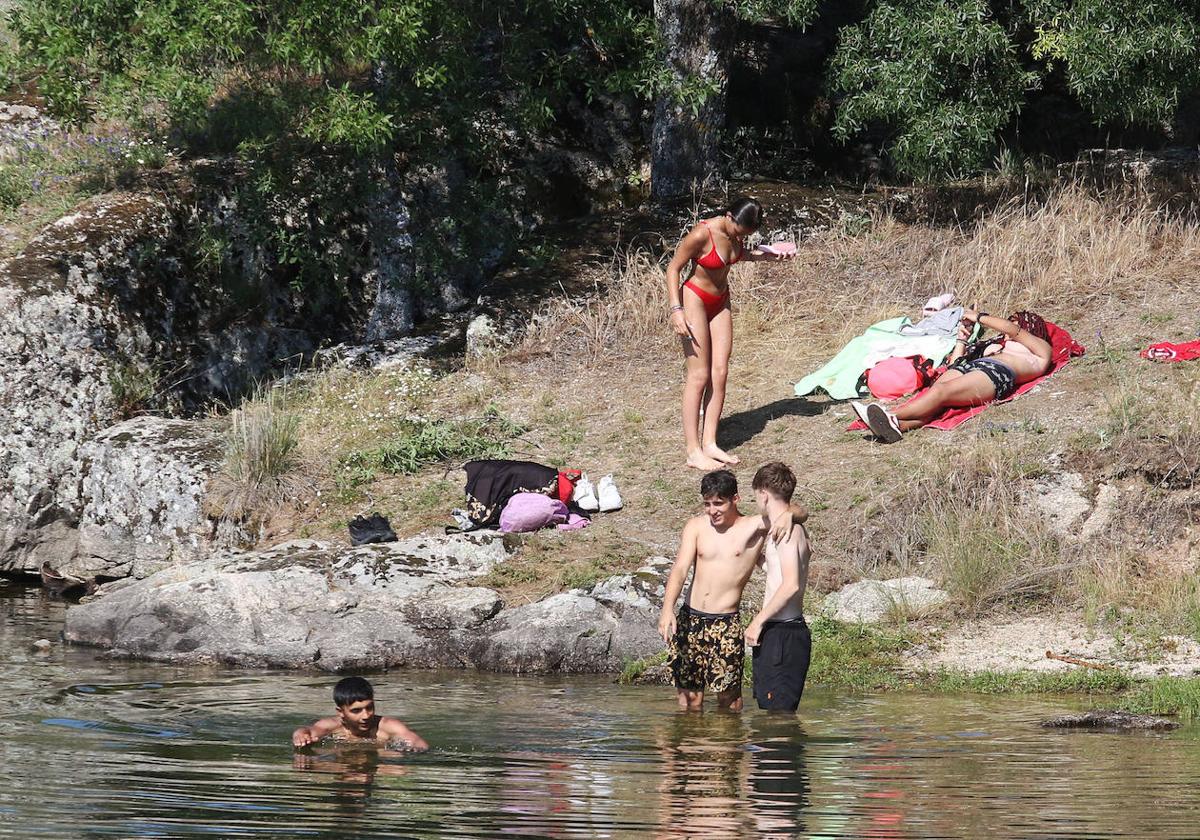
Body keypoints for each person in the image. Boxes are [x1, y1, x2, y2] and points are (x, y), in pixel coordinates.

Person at [657, 469, 807, 711]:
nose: (712, 510)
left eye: (719, 503)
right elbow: (680, 568)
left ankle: (726, 747)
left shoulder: (755, 526)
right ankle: (690, 746)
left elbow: (797, 510)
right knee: (688, 699)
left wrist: (790, 515)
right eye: (707, 504)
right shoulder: (696, 526)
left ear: (735, 499)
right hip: (691, 619)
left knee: (729, 701)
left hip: (726, 623)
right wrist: (667, 610)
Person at [665, 197, 794, 471]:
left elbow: (741, 255)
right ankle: (693, 450)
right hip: (694, 299)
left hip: (720, 300)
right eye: (738, 231)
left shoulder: (737, 234)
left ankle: (710, 442)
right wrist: (676, 310)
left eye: (745, 235)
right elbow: (673, 268)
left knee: (720, 371)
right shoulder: (702, 233)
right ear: (728, 216)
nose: (740, 237)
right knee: (698, 375)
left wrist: (768, 256)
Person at [853, 309, 1053, 442]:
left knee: (941, 392)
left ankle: (890, 416)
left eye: (1012, 322)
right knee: (935, 401)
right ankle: (898, 427)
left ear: (1029, 326)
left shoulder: (1040, 350)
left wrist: (979, 317)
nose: (1005, 328)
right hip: (973, 366)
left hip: (996, 373)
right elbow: (954, 364)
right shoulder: (999, 346)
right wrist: (962, 339)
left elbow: (1013, 330)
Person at [744, 462, 812, 713]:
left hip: (783, 634)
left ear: (762, 493)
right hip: (781, 632)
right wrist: (758, 560)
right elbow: (781, 573)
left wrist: (757, 621)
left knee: (778, 718)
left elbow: (791, 584)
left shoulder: (787, 532)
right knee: (771, 713)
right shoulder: (789, 526)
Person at [292, 676, 429, 750]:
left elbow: (420, 745)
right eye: (356, 711)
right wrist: (300, 737)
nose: (366, 715)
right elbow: (308, 731)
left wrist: (412, 750)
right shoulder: (332, 726)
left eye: (369, 707)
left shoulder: (388, 726)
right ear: (341, 712)